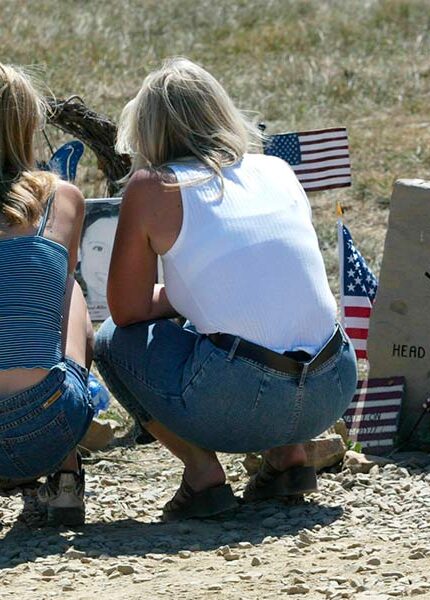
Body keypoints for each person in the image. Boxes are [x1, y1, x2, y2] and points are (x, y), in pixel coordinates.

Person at [95, 57, 358, 520]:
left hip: (244, 396)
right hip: (332, 383)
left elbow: (128, 311)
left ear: (148, 128)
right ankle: (289, 457)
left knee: (111, 342)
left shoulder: (152, 186)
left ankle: (203, 476)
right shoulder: (276, 168)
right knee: (263, 321)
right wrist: (198, 294)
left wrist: (183, 297)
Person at [0, 64, 95, 526]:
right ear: (27, 123)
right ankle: (66, 474)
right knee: (69, 290)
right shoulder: (62, 198)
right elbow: (53, 312)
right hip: (44, 425)